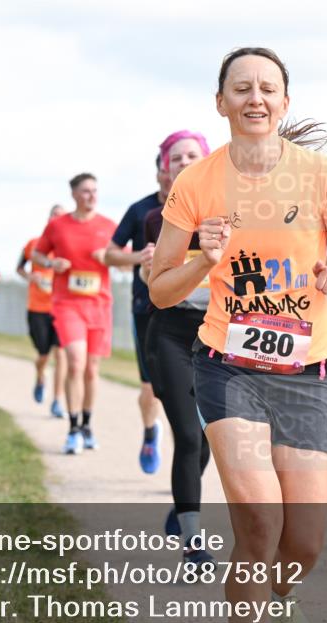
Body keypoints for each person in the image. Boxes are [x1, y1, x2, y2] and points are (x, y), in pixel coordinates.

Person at [148, 47, 327, 623]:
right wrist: (201, 259)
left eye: (268, 88)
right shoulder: (197, 183)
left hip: (308, 372)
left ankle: (282, 595)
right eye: (240, 88)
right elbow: (161, 289)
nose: (255, 98)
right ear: (220, 103)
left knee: (304, 543)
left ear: (285, 102)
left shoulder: (322, 174)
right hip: (228, 369)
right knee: (259, 526)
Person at [139, 129, 214, 567]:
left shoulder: (231, 212)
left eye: (193, 155)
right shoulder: (157, 219)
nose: (185, 161)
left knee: (207, 440)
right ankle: (192, 542)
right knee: (188, 435)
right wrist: (151, 271)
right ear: (165, 169)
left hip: (218, 334)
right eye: (177, 157)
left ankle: (182, 506)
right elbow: (154, 289)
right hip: (169, 332)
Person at [33, 174, 117, 454]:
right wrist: (51, 262)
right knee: (75, 361)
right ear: (74, 194)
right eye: (85, 191)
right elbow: (37, 255)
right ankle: (72, 428)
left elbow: (126, 261)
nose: (91, 195)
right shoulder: (57, 226)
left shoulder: (108, 226)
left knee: (92, 370)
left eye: (95, 190)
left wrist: (111, 258)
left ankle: (87, 424)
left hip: (99, 304)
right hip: (67, 304)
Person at [105, 155, 171, 473]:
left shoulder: (206, 204)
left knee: (191, 391)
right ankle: (149, 433)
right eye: (168, 166)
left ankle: (187, 457)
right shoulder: (140, 210)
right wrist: (139, 258)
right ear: (160, 172)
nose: (174, 172)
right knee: (151, 387)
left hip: (194, 310)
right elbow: (110, 254)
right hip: (146, 308)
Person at [18, 205, 68, 419]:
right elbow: (19, 268)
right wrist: (30, 277)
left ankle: (57, 400)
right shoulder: (33, 244)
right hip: (37, 308)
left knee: (61, 354)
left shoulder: (68, 246)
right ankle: (40, 377)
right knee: (43, 355)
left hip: (62, 307)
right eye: (54, 217)